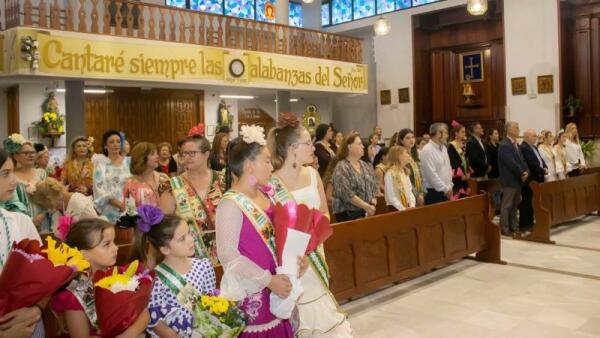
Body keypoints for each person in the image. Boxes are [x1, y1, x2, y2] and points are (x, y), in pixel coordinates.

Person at [267, 114, 352, 337]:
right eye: (308, 143)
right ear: (293, 148)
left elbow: (324, 212)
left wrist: (311, 241)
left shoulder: (314, 175)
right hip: (290, 260)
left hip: (314, 253)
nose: (313, 148)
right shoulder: (271, 184)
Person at [215, 125, 296, 337]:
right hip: (253, 291)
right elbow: (228, 255)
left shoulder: (266, 196)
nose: (272, 167)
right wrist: (269, 281)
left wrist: (296, 259)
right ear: (250, 165)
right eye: (267, 161)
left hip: (278, 286)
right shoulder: (230, 204)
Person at [51, 219, 149, 337]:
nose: (115, 248)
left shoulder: (120, 275)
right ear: (84, 255)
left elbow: (145, 313)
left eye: (114, 242)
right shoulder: (75, 295)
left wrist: (130, 333)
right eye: (107, 244)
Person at [131, 208, 216, 338]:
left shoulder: (203, 265)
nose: (190, 239)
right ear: (165, 249)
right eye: (182, 238)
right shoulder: (155, 280)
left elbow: (211, 301)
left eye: (189, 233)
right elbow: (155, 321)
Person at [159, 133, 225, 265]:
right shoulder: (171, 186)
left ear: (206, 154)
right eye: (183, 154)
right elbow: (163, 227)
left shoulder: (223, 180)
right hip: (187, 258)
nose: (186, 157)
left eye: (192, 153)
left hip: (225, 254)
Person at [0, 148, 45, 338]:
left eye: (13, 172)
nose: (14, 181)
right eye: (5, 174)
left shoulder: (20, 221)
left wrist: (37, 309)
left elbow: (43, 275)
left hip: (26, 319)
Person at [2, 135, 50, 232]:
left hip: (43, 221)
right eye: (26, 153)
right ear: (16, 156)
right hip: (20, 223)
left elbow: (49, 196)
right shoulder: (10, 176)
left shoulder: (41, 173)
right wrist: (30, 221)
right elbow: (9, 203)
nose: (31, 155)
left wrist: (43, 214)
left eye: (33, 152)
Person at [332, 133, 379, 222]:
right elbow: (347, 194)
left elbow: (374, 188)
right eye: (359, 144)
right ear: (349, 147)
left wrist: (372, 205)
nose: (363, 147)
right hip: (348, 215)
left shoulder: (365, 165)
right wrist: (366, 206)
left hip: (368, 212)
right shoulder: (342, 167)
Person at [93, 129, 131, 223]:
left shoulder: (129, 162)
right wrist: (119, 205)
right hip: (109, 210)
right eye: (112, 142)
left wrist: (127, 205)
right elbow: (99, 190)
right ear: (105, 146)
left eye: (118, 141)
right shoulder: (101, 165)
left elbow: (137, 183)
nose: (116, 144)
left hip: (130, 207)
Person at [498, 121, 529, 236]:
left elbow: (522, 160)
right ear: (508, 129)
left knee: (515, 205)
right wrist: (522, 173)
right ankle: (505, 229)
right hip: (509, 180)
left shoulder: (516, 144)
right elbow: (511, 163)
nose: (518, 129)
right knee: (507, 206)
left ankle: (514, 227)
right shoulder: (504, 145)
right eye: (516, 127)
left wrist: (526, 172)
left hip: (518, 180)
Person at [123, 142, 170, 208]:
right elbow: (129, 212)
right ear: (142, 158)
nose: (157, 156)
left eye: (157, 153)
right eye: (153, 154)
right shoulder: (130, 183)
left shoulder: (163, 178)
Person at [30, 177, 100, 221]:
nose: (44, 208)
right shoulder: (59, 206)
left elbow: (94, 227)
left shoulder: (77, 202)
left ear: (48, 199)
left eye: (42, 205)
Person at [519, 129, 547, 231]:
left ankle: (530, 222)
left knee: (534, 202)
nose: (536, 137)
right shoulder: (524, 147)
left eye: (536, 136)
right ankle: (525, 225)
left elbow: (540, 160)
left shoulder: (534, 147)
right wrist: (542, 171)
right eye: (534, 136)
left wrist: (545, 167)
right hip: (530, 179)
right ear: (527, 137)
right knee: (527, 202)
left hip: (538, 178)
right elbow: (531, 163)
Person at [420, 123, 453, 205]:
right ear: (438, 133)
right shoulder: (427, 150)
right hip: (433, 193)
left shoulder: (444, 148)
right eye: (445, 133)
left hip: (446, 190)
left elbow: (448, 168)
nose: (447, 136)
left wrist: (450, 186)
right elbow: (431, 175)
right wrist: (445, 189)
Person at [397, 129, 427, 206]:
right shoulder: (400, 156)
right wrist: (417, 195)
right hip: (409, 194)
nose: (411, 140)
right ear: (401, 141)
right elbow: (406, 178)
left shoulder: (414, 154)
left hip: (419, 192)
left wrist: (422, 192)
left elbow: (420, 175)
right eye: (407, 138)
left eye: (413, 137)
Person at [384, 146, 416, 211]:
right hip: (396, 208)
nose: (409, 155)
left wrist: (412, 205)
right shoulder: (390, 174)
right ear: (399, 156)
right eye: (406, 153)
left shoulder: (404, 171)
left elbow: (409, 191)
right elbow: (391, 197)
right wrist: (403, 209)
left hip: (408, 206)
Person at [447, 121, 471, 200]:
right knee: (458, 199)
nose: (464, 134)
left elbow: (466, 160)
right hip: (457, 178)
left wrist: (467, 172)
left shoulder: (463, 144)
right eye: (462, 132)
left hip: (464, 177)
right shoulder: (451, 145)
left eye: (465, 132)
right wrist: (461, 175)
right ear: (456, 133)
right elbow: (453, 162)